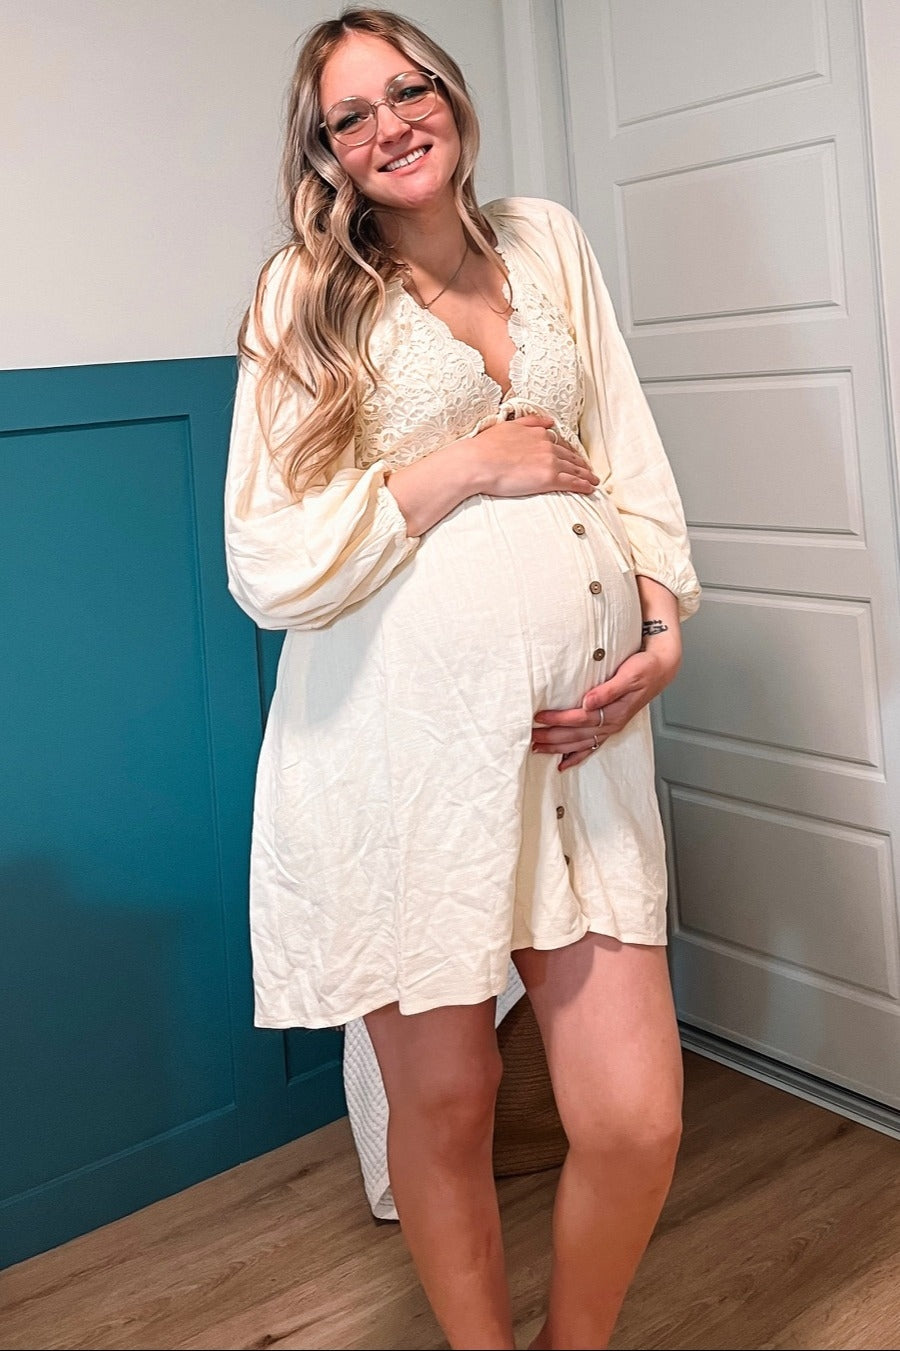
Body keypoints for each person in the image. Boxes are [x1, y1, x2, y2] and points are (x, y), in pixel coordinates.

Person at [224, 8, 701, 1349]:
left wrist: (662, 624)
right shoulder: (302, 297)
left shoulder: (546, 240)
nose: (391, 126)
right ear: (325, 153)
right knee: (445, 1111)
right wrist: (469, 466)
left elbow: (626, 444)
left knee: (635, 1119)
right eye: (351, 116)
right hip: (402, 761)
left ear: (452, 94)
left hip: (579, 756)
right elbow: (268, 560)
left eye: (409, 89)